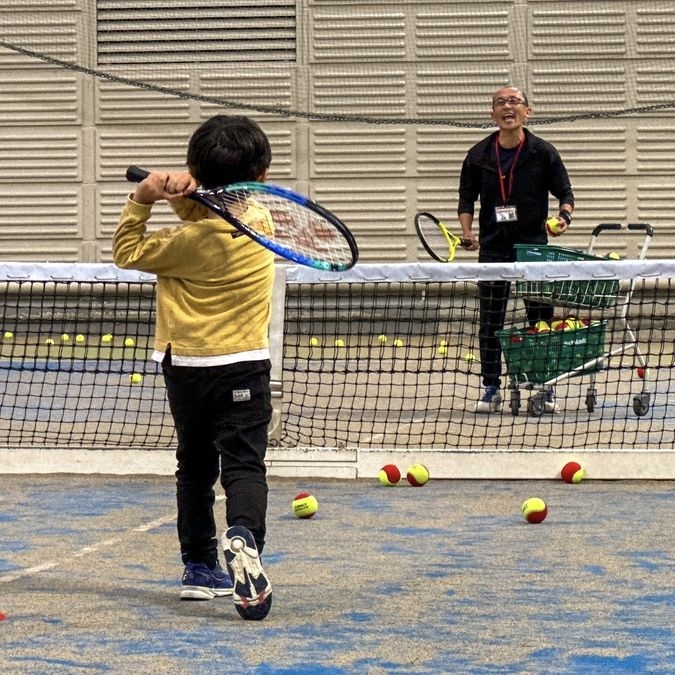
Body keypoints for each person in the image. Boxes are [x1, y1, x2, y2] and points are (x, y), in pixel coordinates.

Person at [113, 114, 275, 620]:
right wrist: (181, 189)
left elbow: (126, 251)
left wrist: (145, 197)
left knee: (195, 466)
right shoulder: (262, 222)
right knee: (243, 465)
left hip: (185, 367)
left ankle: (199, 567)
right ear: (260, 177)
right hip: (245, 364)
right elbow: (207, 210)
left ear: (195, 168)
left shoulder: (181, 247)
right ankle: (243, 536)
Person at [457, 86, 575, 413]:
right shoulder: (478, 155)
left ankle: (544, 385)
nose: (508, 107)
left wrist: (563, 217)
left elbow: (566, 194)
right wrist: (467, 232)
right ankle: (491, 387)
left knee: (541, 318)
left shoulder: (543, 152)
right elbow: (467, 200)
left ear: (528, 111)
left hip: (533, 249)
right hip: (493, 250)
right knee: (491, 321)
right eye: (500, 103)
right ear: (492, 113)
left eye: (514, 102)